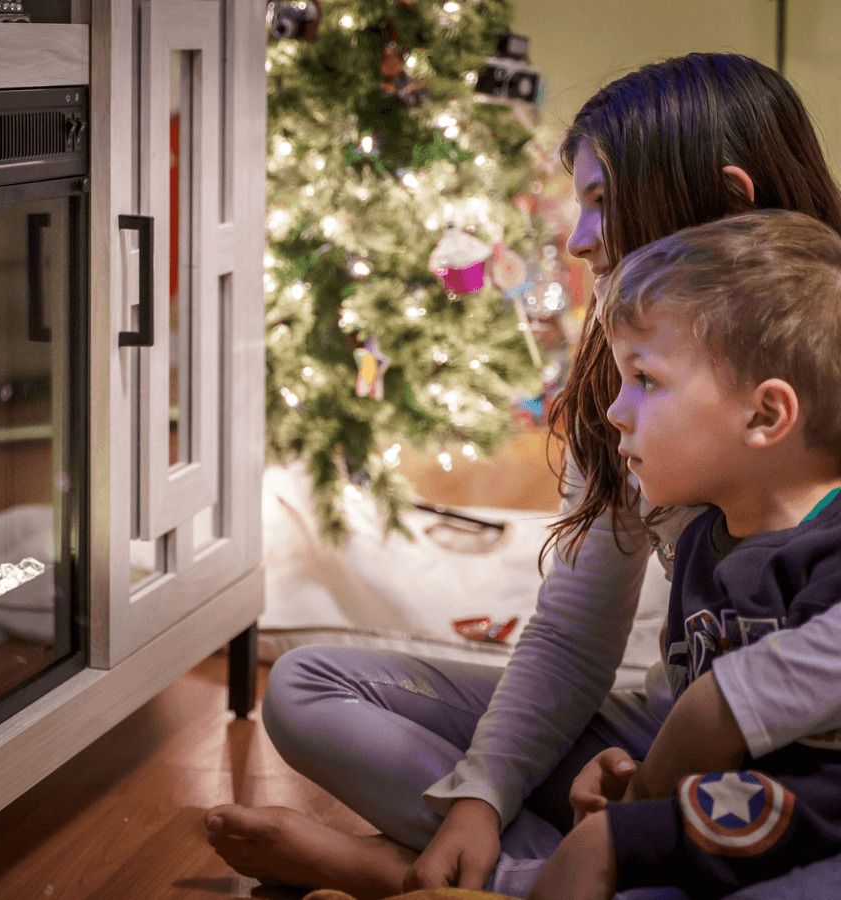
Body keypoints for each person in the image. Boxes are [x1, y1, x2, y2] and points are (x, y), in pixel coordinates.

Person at [204, 53, 841, 898]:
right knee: (308, 687)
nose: (577, 239)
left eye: (602, 203)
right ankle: (546, 873)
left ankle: (444, 879)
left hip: (802, 783)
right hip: (668, 745)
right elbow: (578, 632)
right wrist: (482, 792)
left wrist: (718, 714)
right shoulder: (623, 397)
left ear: (726, 201)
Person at [529, 210, 841, 899]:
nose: (614, 411)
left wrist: (639, 825)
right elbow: (699, 733)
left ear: (766, 416)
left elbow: (816, 797)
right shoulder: (702, 543)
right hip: (732, 818)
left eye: (646, 379)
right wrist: (633, 776)